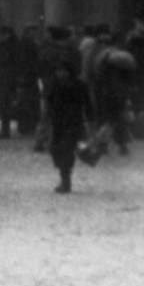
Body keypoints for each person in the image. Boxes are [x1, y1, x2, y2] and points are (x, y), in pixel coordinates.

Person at [47, 61, 93, 193]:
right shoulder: (53, 85)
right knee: (55, 150)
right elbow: (48, 104)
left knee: (66, 149)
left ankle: (65, 179)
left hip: (74, 123)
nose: (60, 73)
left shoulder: (79, 86)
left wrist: (91, 123)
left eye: (63, 70)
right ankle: (64, 174)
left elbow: (88, 105)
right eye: (58, 70)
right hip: (57, 123)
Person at [0, 25, 20, 139]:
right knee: (6, 104)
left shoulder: (9, 47)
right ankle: (6, 129)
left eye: (1, 34)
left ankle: (5, 129)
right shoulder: (8, 46)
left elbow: (2, 65)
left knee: (6, 105)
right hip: (7, 79)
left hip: (9, 80)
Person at [15, 24, 42, 136]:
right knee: (28, 103)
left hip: (29, 78)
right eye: (33, 32)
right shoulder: (27, 45)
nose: (35, 34)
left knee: (27, 103)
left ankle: (26, 125)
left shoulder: (28, 44)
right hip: (28, 78)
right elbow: (24, 62)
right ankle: (28, 125)